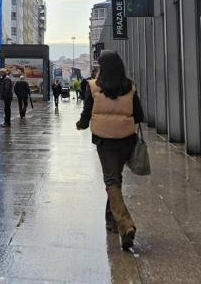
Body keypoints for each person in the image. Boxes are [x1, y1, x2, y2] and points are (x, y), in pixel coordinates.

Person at [76, 51, 144, 251]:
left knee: (111, 180)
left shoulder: (93, 86)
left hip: (105, 141)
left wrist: (81, 124)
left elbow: (87, 113)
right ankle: (111, 221)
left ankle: (125, 224)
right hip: (126, 140)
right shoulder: (130, 86)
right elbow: (139, 114)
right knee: (116, 177)